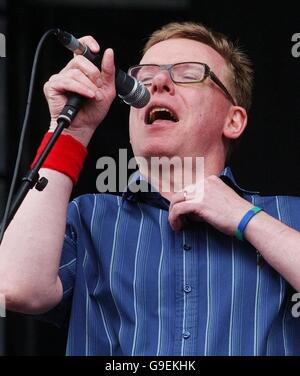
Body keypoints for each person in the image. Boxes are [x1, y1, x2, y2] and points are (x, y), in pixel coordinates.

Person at [1, 21, 300, 356]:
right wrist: (70, 132)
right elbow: (15, 287)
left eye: (188, 73)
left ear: (233, 121)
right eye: (143, 76)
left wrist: (246, 218)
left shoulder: (288, 216)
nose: (158, 82)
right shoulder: (87, 218)